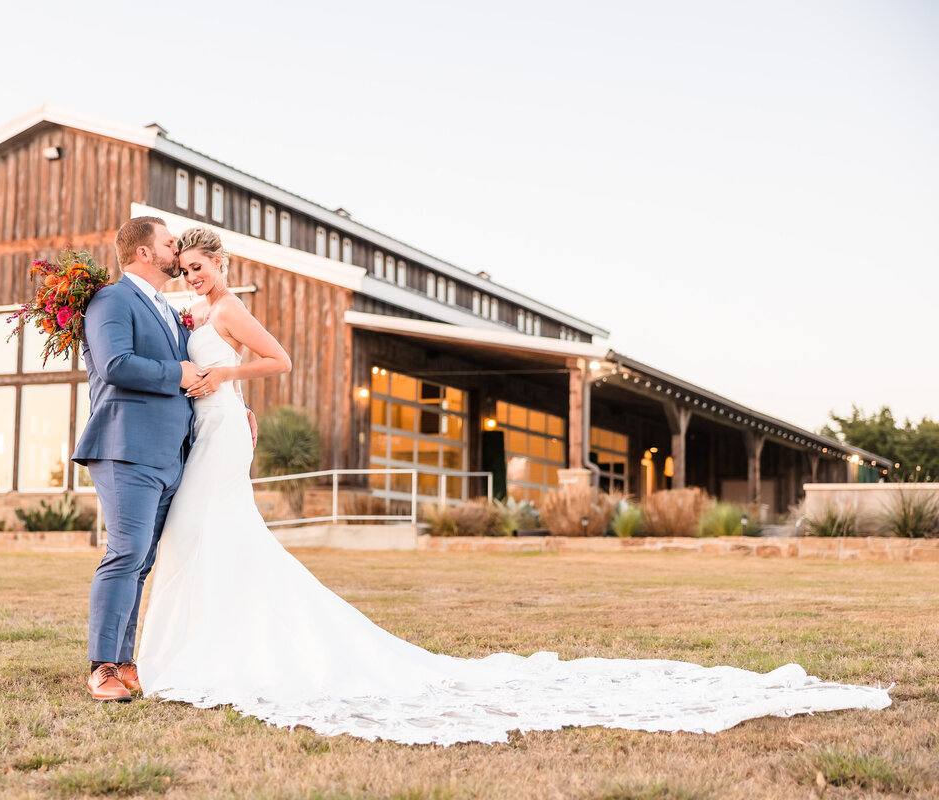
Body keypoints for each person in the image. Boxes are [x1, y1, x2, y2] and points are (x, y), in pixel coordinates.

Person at [132, 225, 891, 745]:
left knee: (214, 530)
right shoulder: (190, 304)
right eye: (186, 266)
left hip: (224, 432)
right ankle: (197, 637)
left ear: (222, 267)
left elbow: (278, 361)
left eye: (202, 266)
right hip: (216, 430)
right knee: (202, 534)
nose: (193, 274)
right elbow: (155, 315)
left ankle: (214, 645)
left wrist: (231, 378)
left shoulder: (227, 308)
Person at [70, 216, 253, 701]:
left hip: (173, 456)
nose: (178, 251)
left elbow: (200, 375)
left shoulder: (170, 312)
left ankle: (127, 661)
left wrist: (240, 407)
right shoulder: (112, 300)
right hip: (126, 448)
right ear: (145, 253)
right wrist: (177, 371)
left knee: (144, 559)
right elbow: (115, 364)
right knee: (126, 552)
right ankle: (102, 667)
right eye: (170, 244)